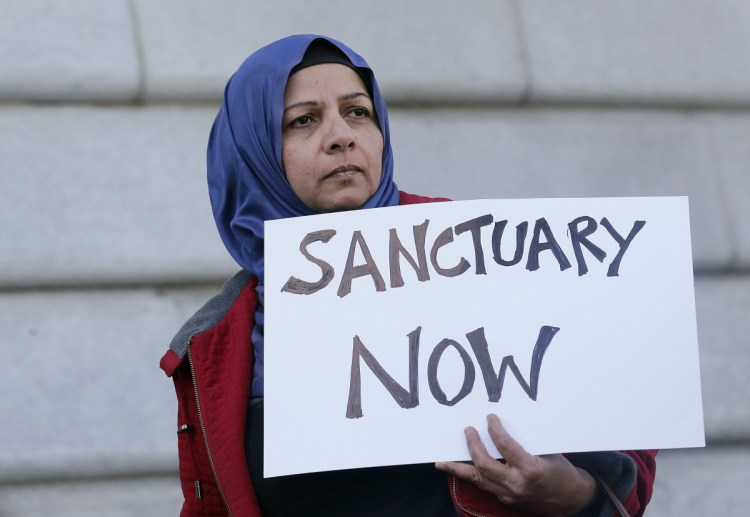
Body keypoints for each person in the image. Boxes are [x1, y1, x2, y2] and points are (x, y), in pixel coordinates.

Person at [160, 34, 657, 517]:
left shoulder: (487, 256)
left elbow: (626, 454)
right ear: (253, 151)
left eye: (358, 111)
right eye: (303, 121)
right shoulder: (215, 343)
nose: (341, 136)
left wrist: (568, 495)